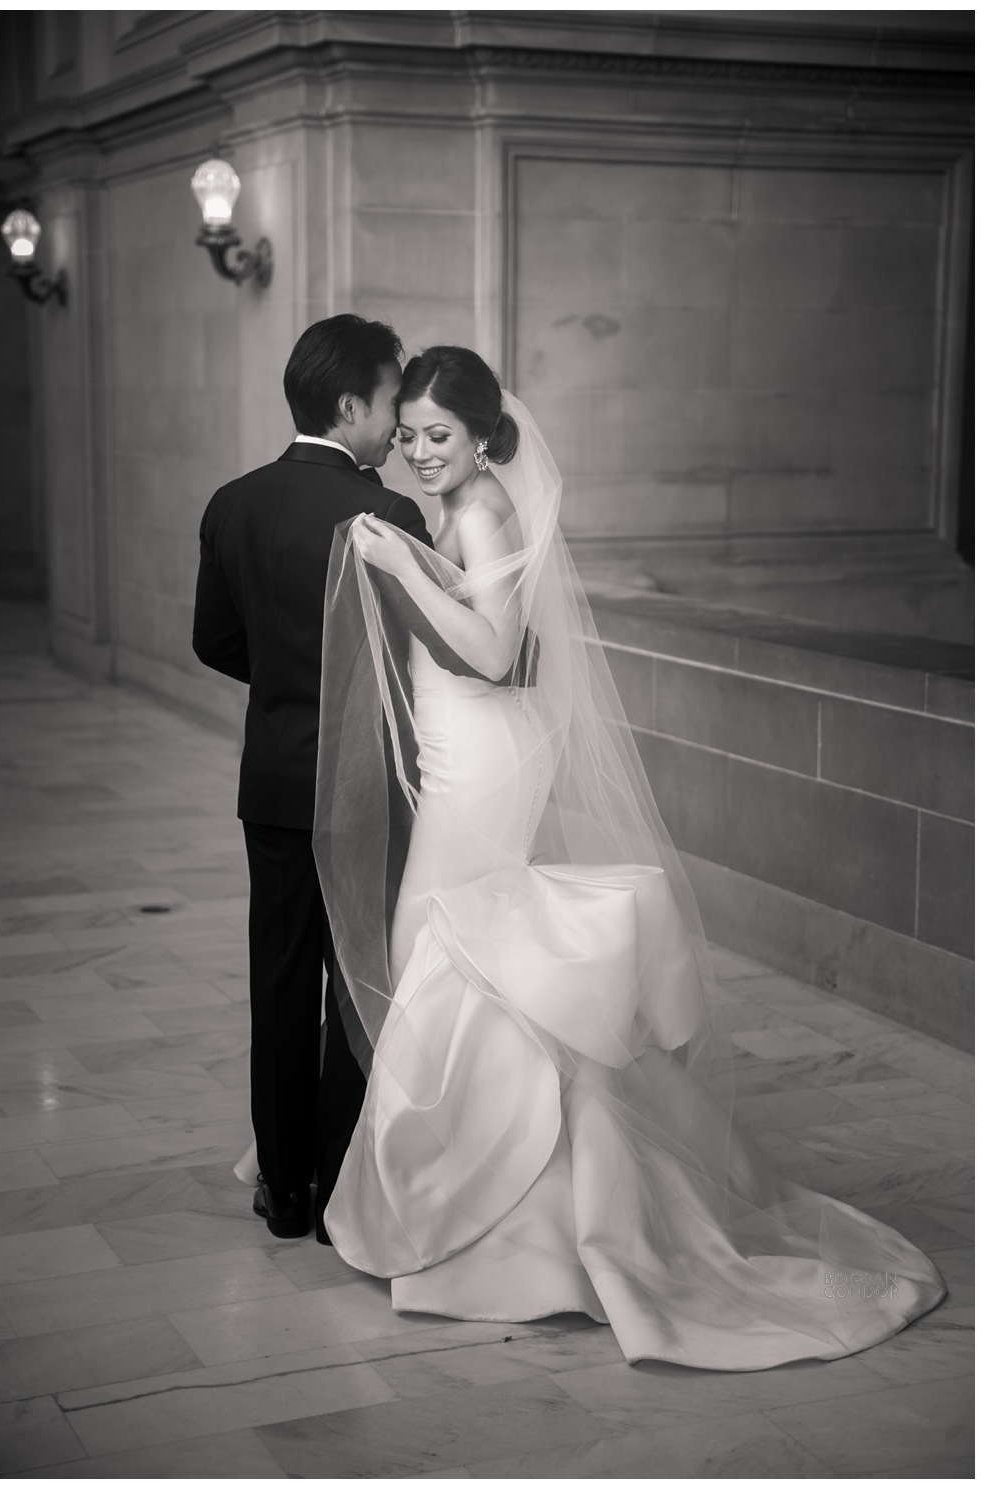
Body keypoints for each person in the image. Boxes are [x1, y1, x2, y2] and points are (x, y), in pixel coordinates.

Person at [313, 344, 947, 1368]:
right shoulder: (455, 509)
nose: (420, 451)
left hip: (482, 761)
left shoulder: (482, 513)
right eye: (411, 434)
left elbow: (488, 650)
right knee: (467, 955)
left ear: (483, 437)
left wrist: (396, 569)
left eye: (440, 435)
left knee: (445, 945)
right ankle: (520, 1199)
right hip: (460, 748)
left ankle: (490, 1213)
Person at [192, 314, 437, 1243]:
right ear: (348, 404)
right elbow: (423, 655)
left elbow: (215, 641)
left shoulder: (234, 502)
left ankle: (284, 1190)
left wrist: (294, 686)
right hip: (365, 787)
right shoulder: (386, 515)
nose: (396, 428)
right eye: (388, 404)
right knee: (359, 987)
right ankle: (341, 1186)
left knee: (282, 982)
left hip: (275, 782)